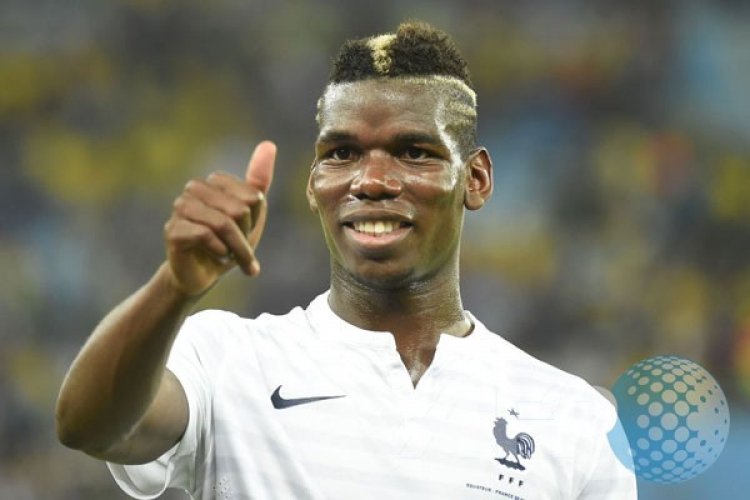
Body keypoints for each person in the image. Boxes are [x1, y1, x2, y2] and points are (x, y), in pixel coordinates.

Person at [55, 22, 636, 499]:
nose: (372, 180)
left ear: (476, 178)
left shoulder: (574, 420)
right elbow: (89, 426)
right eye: (342, 153)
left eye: (413, 151)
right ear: (314, 183)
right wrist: (173, 287)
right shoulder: (226, 360)